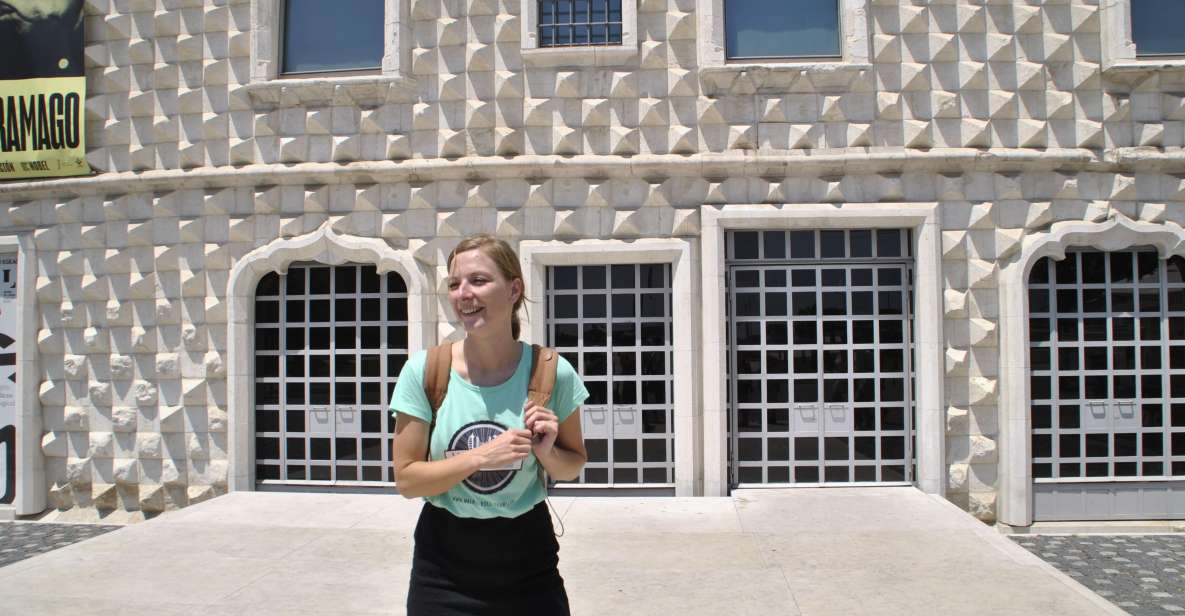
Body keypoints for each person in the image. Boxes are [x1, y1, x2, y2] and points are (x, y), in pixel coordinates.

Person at [390, 233, 589, 615]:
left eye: (478, 281)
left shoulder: (551, 373)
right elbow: (407, 480)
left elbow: (574, 463)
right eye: (454, 284)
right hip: (443, 565)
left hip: (528, 562)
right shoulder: (425, 371)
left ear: (514, 289)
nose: (463, 293)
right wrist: (480, 458)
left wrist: (547, 453)